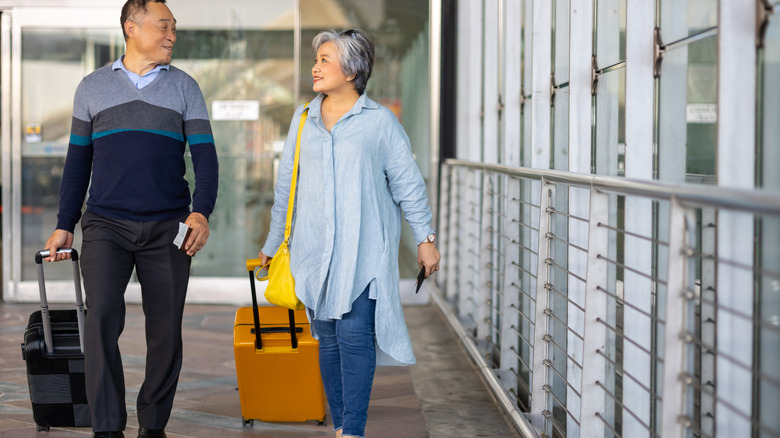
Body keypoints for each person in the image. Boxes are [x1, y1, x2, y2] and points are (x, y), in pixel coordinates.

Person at [44, 0, 218, 437]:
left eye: (173, 28)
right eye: (164, 26)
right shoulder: (92, 87)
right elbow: (77, 163)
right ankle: (107, 427)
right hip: (105, 225)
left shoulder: (185, 87)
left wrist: (200, 213)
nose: (171, 36)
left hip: (170, 227)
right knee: (100, 318)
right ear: (131, 27)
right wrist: (66, 222)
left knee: (166, 333)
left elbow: (206, 159)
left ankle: (153, 426)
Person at [259, 29, 440, 438]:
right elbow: (287, 187)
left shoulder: (379, 123)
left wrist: (425, 239)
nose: (315, 67)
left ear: (352, 69)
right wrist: (273, 245)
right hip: (314, 251)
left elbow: (408, 184)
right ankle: (342, 424)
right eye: (317, 59)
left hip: (364, 251)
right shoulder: (303, 119)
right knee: (329, 339)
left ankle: (353, 429)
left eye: (324, 59)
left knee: (355, 334)